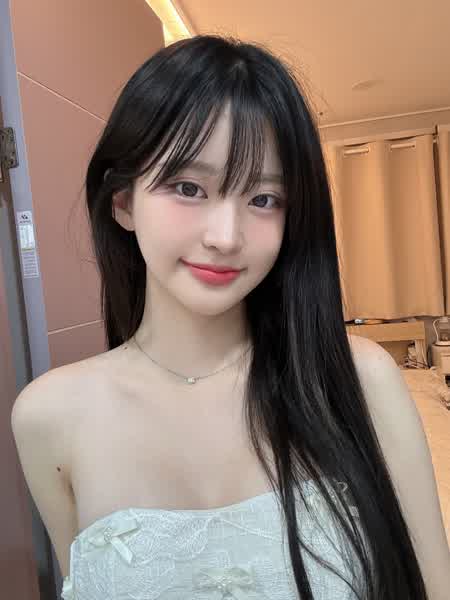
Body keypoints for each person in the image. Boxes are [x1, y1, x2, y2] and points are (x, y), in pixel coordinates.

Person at [10, 35, 450, 600]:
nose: (226, 237)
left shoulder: (359, 379)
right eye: (188, 188)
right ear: (122, 203)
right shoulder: (48, 416)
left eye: (263, 199)